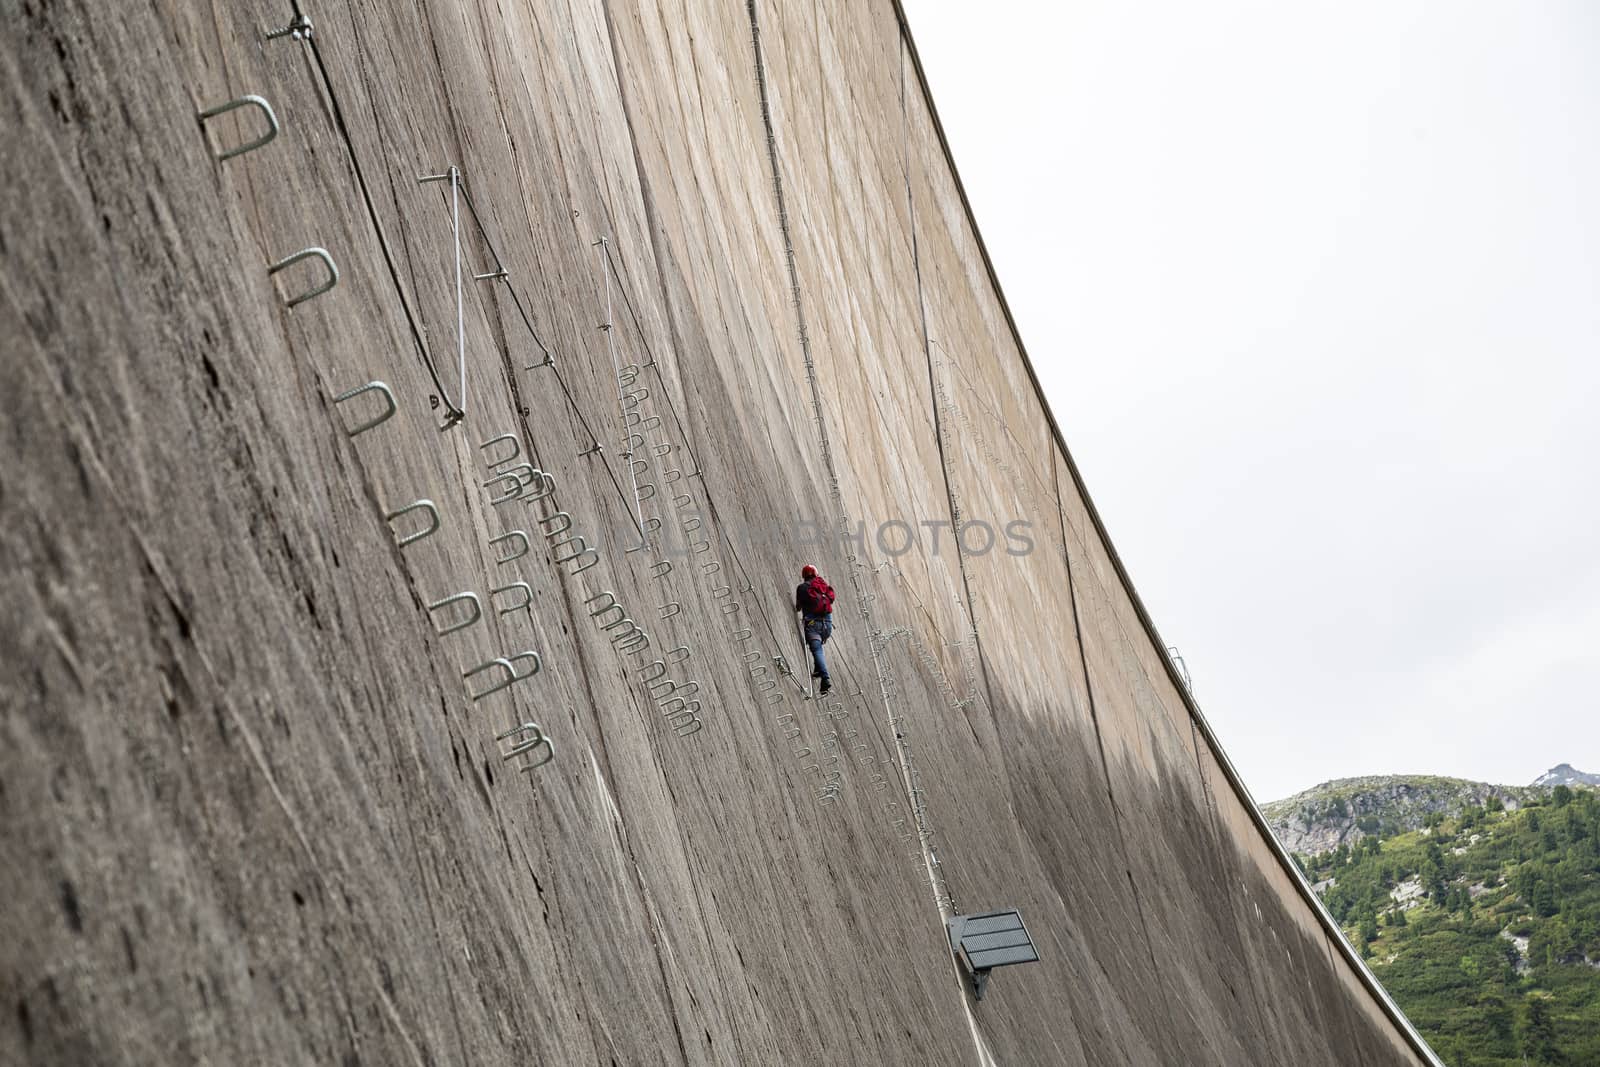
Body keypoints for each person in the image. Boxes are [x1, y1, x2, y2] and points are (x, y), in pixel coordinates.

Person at [794, 564, 836, 695]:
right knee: (818, 648)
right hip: (827, 626)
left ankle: (825, 678)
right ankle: (818, 668)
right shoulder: (822, 586)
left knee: (817, 649)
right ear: (816, 574)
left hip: (813, 625)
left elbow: (798, 607)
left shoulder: (802, 588)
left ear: (804, 576)